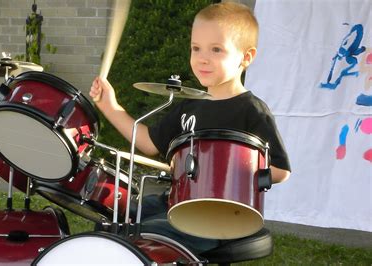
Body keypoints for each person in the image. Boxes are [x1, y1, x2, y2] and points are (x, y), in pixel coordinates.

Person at [89, 2, 291, 255]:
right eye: (196, 48)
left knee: (141, 234)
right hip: (174, 202)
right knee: (112, 216)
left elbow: (281, 170)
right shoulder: (190, 104)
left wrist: (227, 173)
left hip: (218, 216)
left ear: (246, 57)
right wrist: (110, 106)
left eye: (216, 49)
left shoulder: (251, 110)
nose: (202, 58)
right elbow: (148, 143)